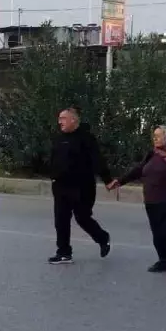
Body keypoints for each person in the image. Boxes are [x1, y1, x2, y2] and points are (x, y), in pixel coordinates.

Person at [108, 126, 166, 274]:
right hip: (151, 200)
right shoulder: (152, 153)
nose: (155, 138)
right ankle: (162, 260)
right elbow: (139, 169)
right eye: (154, 136)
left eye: (158, 136)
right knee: (157, 234)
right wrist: (120, 181)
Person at [47, 107, 113, 265]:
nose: (59, 121)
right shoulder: (58, 138)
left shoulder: (86, 138)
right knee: (61, 220)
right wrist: (52, 176)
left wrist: (107, 179)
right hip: (61, 187)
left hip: (82, 187)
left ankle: (103, 238)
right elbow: (52, 159)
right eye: (59, 118)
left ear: (73, 120)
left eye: (63, 118)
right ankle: (64, 253)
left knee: (82, 218)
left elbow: (98, 159)